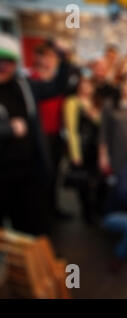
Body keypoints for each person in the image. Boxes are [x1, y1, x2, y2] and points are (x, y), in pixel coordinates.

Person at [0, 33, 69, 235]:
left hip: (28, 172)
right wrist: (8, 129)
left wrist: (63, 59)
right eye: (0, 60)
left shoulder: (24, 85)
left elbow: (57, 86)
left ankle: (29, 264)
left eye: (9, 61)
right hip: (2, 174)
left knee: (31, 227)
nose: (4, 66)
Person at [64, 76, 101, 224]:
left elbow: (101, 122)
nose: (87, 88)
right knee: (83, 182)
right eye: (84, 85)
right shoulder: (72, 102)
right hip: (82, 147)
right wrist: (75, 153)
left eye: (89, 85)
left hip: (95, 147)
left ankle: (94, 209)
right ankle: (87, 213)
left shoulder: (96, 102)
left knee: (95, 180)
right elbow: (71, 130)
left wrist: (94, 115)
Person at [99, 72, 127, 176]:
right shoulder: (110, 104)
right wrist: (103, 155)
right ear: (122, 84)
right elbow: (103, 132)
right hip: (117, 151)